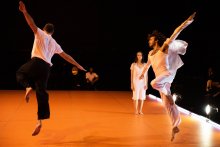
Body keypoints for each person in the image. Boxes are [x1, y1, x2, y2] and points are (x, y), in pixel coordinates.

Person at [16, 1, 86, 136]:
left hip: (36, 62)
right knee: (41, 94)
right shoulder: (54, 43)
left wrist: (25, 12)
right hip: (46, 69)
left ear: (44, 29)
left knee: (20, 72)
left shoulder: (40, 33)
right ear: (52, 32)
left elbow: (31, 23)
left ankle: (27, 86)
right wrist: (77, 65)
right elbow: (66, 56)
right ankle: (39, 121)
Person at [140, 12, 196, 141]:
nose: (149, 40)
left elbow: (176, 33)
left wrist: (187, 21)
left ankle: (168, 94)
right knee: (168, 105)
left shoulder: (164, 48)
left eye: (151, 39)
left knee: (153, 84)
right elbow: (148, 65)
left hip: (167, 75)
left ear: (156, 40)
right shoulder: (149, 54)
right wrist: (142, 73)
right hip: (163, 82)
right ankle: (175, 125)